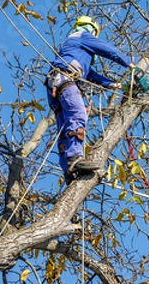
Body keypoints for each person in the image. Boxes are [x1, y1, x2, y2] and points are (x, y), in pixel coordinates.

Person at [46, 15, 135, 184]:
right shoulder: (82, 36)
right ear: (91, 29)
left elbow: (90, 75)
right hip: (65, 80)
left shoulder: (76, 51)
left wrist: (113, 85)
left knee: (65, 126)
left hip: (56, 84)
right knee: (78, 114)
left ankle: (68, 170)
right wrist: (129, 64)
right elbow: (106, 49)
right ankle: (74, 158)